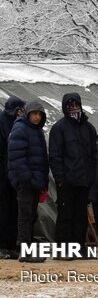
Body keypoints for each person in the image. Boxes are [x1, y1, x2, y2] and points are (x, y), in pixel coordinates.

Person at [49, 93, 97, 260]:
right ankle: (62, 250)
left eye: (76, 104)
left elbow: (93, 154)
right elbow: (55, 156)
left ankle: (79, 248)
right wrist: (60, 179)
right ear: (65, 107)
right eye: (70, 105)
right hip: (67, 181)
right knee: (65, 215)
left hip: (83, 180)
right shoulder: (59, 128)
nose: (74, 107)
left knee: (81, 216)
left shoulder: (88, 128)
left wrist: (91, 176)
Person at [8, 101, 49, 263]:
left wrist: (42, 181)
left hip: (34, 181)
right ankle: (24, 251)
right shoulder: (21, 129)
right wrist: (28, 178)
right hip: (26, 182)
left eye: (40, 114)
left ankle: (28, 250)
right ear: (27, 114)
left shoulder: (35, 131)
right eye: (34, 114)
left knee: (31, 215)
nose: (37, 117)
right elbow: (16, 158)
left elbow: (41, 159)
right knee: (25, 216)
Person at [0, 96, 25, 259]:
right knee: (4, 210)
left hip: (13, 175)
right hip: (4, 175)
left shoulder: (17, 124)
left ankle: (10, 245)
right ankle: (3, 245)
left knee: (13, 210)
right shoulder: (5, 123)